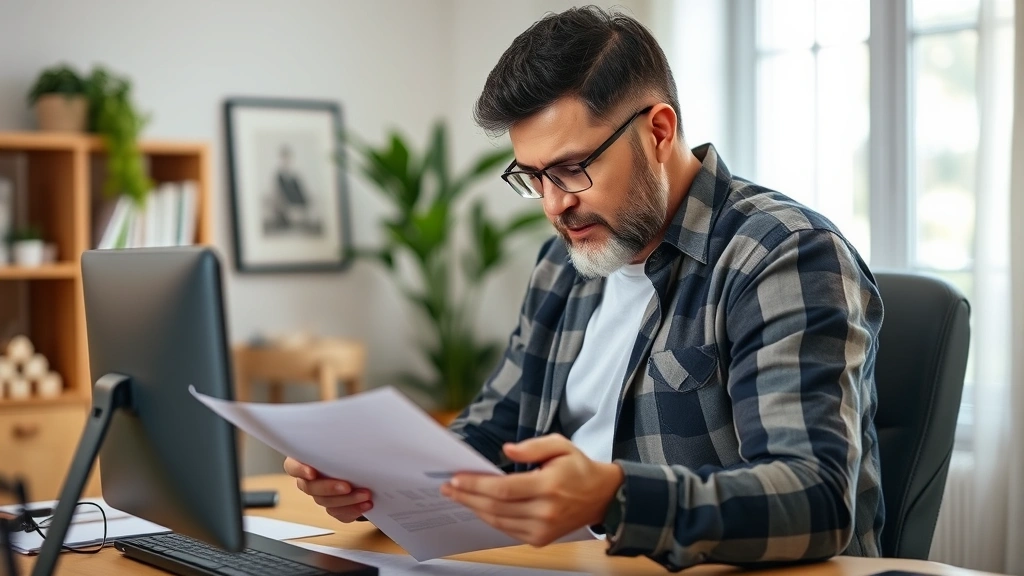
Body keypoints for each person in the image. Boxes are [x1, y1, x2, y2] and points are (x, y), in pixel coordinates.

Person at [284, 5, 884, 570]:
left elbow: (815, 497)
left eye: (573, 169)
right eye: (534, 176)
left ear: (658, 131)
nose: (554, 204)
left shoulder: (781, 255)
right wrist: (381, 481)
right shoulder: (564, 263)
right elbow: (496, 429)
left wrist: (614, 498)